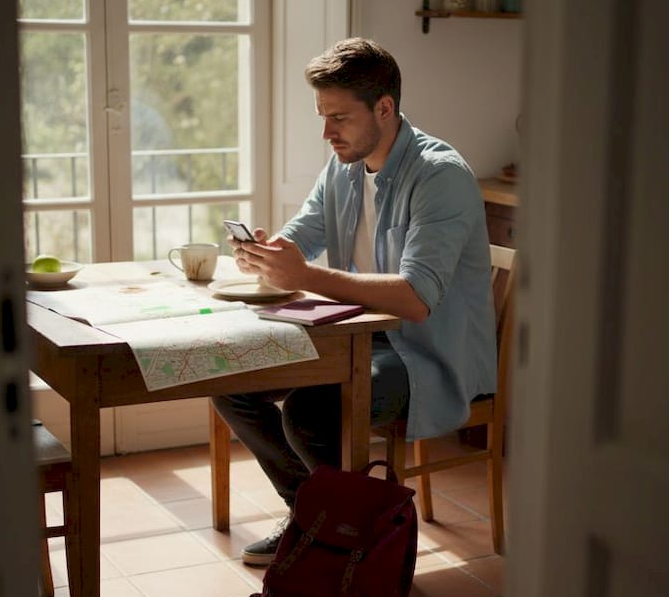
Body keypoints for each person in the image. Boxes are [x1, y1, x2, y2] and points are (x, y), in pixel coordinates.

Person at [213, 37, 497, 566]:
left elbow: (414, 299)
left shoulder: (440, 176)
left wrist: (304, 275)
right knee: (228, 375)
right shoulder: (343, 167)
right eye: (322, 116)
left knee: (312, 410)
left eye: (339, 117)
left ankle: (352, 545)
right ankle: (316, 520)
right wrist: (267, 254)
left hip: (427, 357)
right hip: (359, 338)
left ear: (384, 108)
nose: (327, 133)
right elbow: (303, 236)